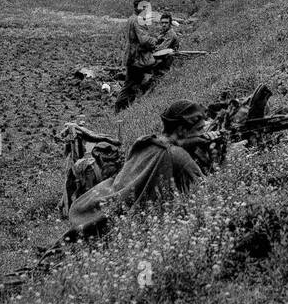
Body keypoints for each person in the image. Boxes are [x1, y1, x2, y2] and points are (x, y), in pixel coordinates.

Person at [67, 101, 211, 239]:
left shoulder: (145, 141)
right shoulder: (177, 155)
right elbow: (206, 194)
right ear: (181, 130)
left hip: (95, 205)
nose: (202, 134)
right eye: (199, 130)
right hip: (127, 223)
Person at [115, 0, 161, 111]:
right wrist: (155, 42)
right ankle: (120, 109)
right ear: (137, 7)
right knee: (130, 84)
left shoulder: (132, 18)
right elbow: (144, 40)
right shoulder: (138, 20)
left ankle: (129, 107)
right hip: (137, 57)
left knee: (132, 83)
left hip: (133, 55)